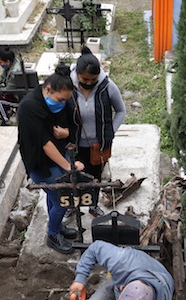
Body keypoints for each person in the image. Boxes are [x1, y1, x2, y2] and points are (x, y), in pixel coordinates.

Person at [18, 63, 83, 254]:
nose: (63, 103)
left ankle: (57, 225)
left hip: (57, 154)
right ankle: (53, 234)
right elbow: (45, 143)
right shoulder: (29, 107)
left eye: (66, 100)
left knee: (54, 196)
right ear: (48, 89)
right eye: (60, 99)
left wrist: (67, 133)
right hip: (39, 162)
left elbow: (71, 123)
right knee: (63, 197)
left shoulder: (58, 100)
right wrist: (69, 167)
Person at [65, 47, 127, 219]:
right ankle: (73, 205)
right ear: (77, 73)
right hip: (73, 144)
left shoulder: (107, 86)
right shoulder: (67, 86)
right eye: (85, 79)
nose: (90, 82)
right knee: (73, 177)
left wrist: (111, 131)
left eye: (93, 79)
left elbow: (121, 111)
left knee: (95, 177)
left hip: (99, 144)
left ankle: (93, 205)